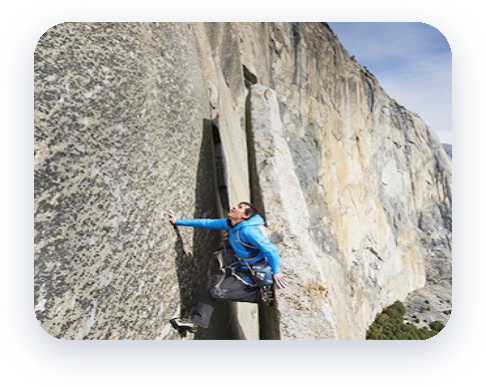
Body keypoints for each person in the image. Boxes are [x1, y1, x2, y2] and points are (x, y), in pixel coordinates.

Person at [169, 202, 287, 333]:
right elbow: (207, 223)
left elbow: (272, 251)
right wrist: (178, 221)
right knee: (213, 281)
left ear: (245, 216)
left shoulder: (248, 231)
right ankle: (196, 323)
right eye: (237, 205)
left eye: (240, 208)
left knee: (216, 291)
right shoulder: (231, 224)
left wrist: (276, 272)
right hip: (241, 270)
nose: (235, 207)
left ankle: (257, 295)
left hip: (256, 279)